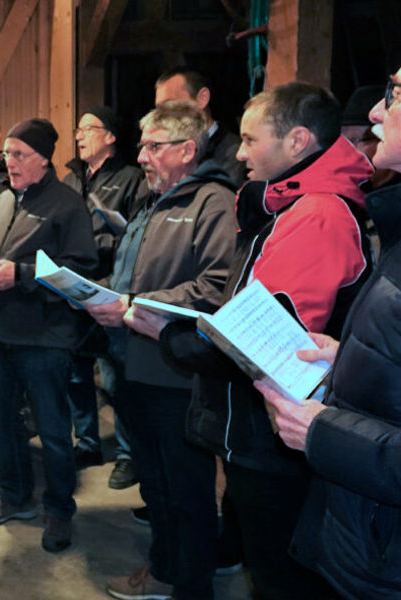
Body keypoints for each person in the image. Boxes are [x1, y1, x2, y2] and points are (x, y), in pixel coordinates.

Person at [131, 82, 372, 600]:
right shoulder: (291, 205)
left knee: (277, 575)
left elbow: (271, 344)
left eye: (249, 139)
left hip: (273, 440)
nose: (238, 153)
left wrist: (170, 334)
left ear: (297, 141)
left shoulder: (318, 213)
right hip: (257, 430)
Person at [253, 68, 401, 600]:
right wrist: (347, 360)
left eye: (395, 95)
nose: (377, 114)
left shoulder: (322, 212)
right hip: (363, 529)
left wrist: (323, 433)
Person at [87, 100, 237, 600]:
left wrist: (132, 301)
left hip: (176, 376)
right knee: (156, 487)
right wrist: (100, 293)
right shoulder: (153, 203)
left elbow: (216, 287)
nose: (142, 156)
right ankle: (165, 570)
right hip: (134, 366)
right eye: (142, 145)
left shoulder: (213, 202)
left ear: (187, 150)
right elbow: (131, 276)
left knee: (187, 492)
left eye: (153, 146)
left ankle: (192, 586)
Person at [0, 118, 99, 554]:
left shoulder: (67, 205)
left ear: (42, 159)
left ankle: (58, 510)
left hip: (45, 339)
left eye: (18, 155)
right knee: (1, 423)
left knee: (54, 432)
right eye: (8, 154)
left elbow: (82, 270)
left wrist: (22, 275)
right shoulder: (1, 202)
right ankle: (16, 496)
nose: (9, 162)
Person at [63, 106, 146, 489]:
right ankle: (88, 443)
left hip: (111, 289)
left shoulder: (131, 178)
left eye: (88, 129)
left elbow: (140, 235)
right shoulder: (70, 179)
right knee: (77, 375)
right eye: (77, 130)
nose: (79, 136)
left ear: (110, 136)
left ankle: (129, 455)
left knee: (114, 378)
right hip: (73, 288)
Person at [155, 67, 246, 187]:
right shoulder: (164, 153)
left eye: (171, 104)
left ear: (202, 98)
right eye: (160, 109)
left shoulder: (236, 154)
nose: (163, 116)